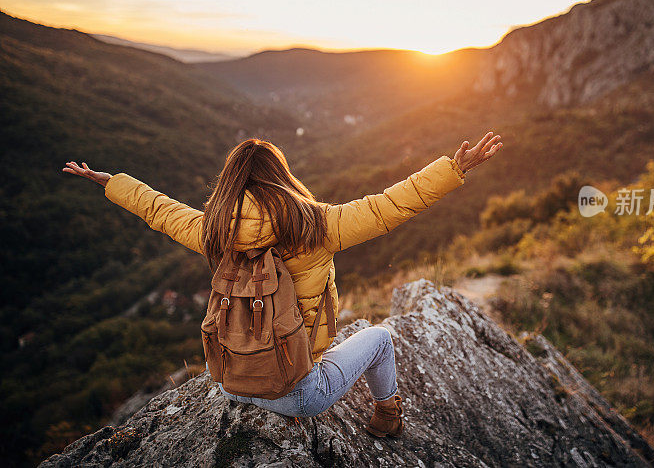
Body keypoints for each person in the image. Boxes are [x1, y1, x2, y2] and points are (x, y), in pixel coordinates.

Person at [62, 131, 502, 437]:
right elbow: (391, 205)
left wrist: (110, 182)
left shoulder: (214, 232)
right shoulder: (318, 225)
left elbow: (161, 210)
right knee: (380, 337)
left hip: (231, 382)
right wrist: (454, 167)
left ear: (231, 183)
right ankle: (387, 416)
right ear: (282, 177)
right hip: (296, 394)